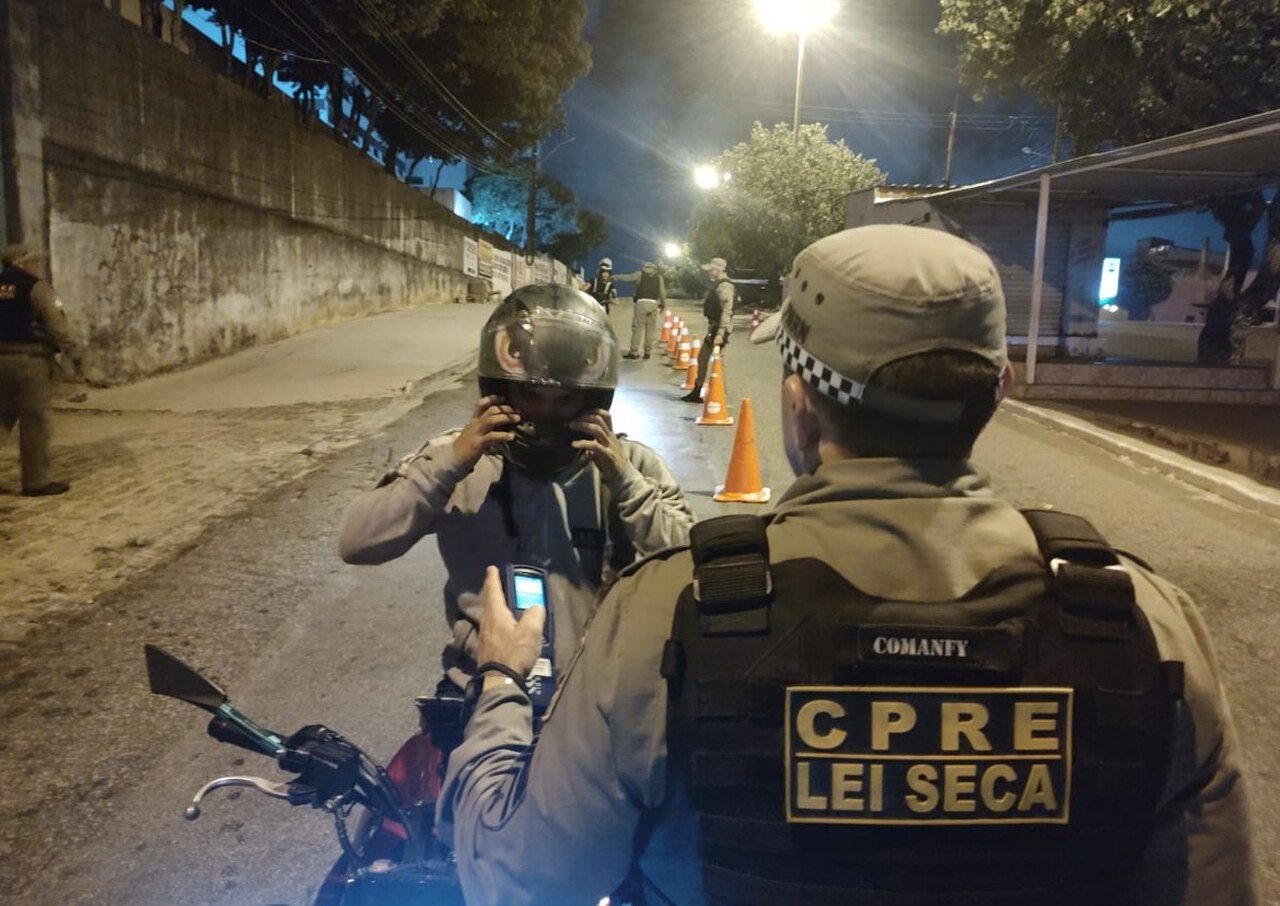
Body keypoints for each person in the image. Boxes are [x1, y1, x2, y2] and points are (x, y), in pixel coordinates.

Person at [437, 226, 1258, 905]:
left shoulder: (670, 611)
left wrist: (504, 686)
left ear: (797, 402)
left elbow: (522, 881)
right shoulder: (1143, 622)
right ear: (999, 391)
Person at [338, 282, 694, 695]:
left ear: (592, 397)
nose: (546, 413)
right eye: (530, 395)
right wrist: (450, 465)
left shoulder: (630, 465)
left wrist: (626, 484)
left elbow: (692, 563)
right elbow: (356, 542)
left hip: (596, 700)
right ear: (499, 389)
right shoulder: (457, 459)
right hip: (481, 686)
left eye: (566, 399)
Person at [1, 243, 82, 497]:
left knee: (2, 418)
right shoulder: (36, 288)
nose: (38, 267)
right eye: (35, 262)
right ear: (24, 263)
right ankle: (36, 480)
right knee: (35, 420)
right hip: (30, 360)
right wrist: (76, 353)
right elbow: (56, 325)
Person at [680, 255, 734, 402]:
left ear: (718, 269)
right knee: (703, 359)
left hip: (719, 329)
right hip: (715, 327)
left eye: (711, 269)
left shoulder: (724, 286)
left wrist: (721, 333)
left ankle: (717, 395)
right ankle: (699, 391)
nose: (708, 272)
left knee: (715, 362)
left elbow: (726, 310)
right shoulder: (718, 284)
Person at [613, 261, 667, 359]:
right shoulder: (659, 278)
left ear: (644, 268)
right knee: (650, 329)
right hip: (653, 304)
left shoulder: (639, 274)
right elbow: (663, 292)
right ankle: (647, 352)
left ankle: (634, 352)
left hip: (641, 303)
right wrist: (663, 304)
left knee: (637, 328)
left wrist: (615, 277)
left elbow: (627, 278)